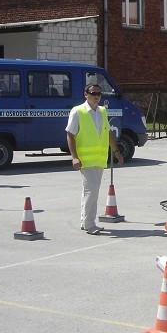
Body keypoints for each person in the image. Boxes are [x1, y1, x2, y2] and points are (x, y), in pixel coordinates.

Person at [65, 83, 124, 234]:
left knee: (93, 191)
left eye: (99, 93)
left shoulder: (103, 111)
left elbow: (107, 133)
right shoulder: (77, 111)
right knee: (91, 191)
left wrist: (116, 151)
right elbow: (70, 134)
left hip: (99, 158)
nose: (96, 96)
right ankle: (89, 223)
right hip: (85, 159)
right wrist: (74, 157)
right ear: (86, 94)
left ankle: (86, 221)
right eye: (93, 93)